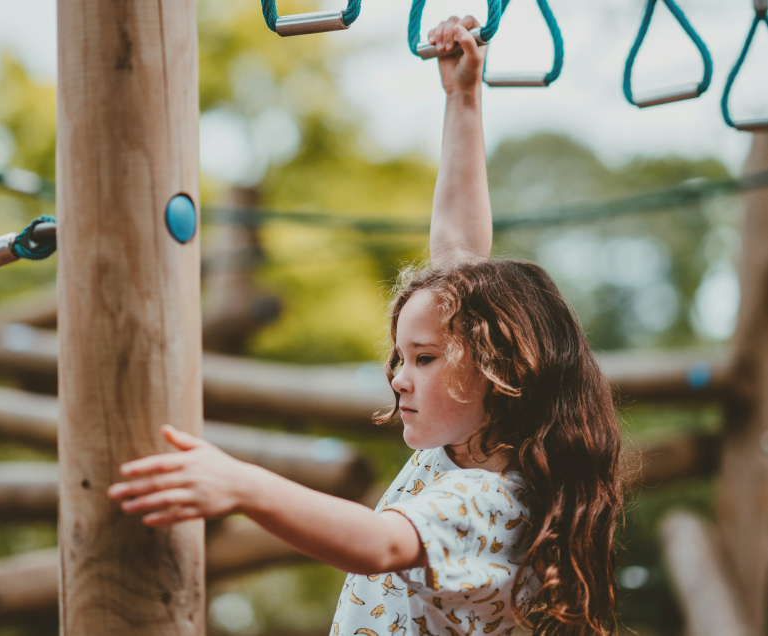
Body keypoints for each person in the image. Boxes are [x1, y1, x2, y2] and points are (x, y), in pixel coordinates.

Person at [108, 15, 623, 636]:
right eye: (401, 358)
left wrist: (243, 486)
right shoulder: (459, 453)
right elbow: (460, 249)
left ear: (502, 372)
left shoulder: (493, 500)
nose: (401, 378)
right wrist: (462, 98)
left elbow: (378, 543)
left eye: (424, 359)